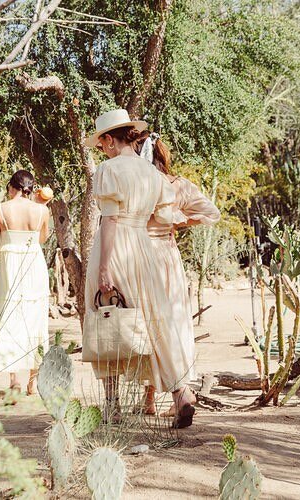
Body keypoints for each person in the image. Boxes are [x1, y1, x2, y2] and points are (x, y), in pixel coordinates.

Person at [83, 109, 196, 426]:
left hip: (116, 246)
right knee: (156, 320)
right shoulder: (153, 174)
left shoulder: (108, 170)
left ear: (108, 140)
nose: (101, 148)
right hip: (144, 248)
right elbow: (163, 217)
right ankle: (181, 393)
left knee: (107, 314)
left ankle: (112, 405)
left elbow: (109, 220)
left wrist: (105, 267)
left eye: (100, 142)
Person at [134, 131, 220, 420]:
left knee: (146, 326)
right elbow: (211, 212)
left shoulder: (136, 185)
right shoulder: (177, 185)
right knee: (171, 323)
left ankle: (156, 398)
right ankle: (178, 394)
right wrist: (180, 221)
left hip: (140, 258)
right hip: (168, 259)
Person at [0, 170, 51, 396]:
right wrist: (39, 204)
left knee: (9, 319)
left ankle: (14, 382)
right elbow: (42, 239)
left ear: (12, 187)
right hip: (34, 264)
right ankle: (32, 378)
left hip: (9, 266)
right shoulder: (42, 210)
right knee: (33, 317)